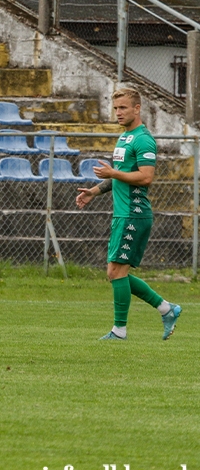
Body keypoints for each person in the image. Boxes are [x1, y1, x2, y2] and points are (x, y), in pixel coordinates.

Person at [76, 88, 181, 340]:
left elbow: (145, 177)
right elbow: (121, 176)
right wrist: (94, 190)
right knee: (115, 272)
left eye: (123, 107)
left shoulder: (143, 139)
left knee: (116, 272)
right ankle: (167, 309)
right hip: (122, 214)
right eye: (115, 108)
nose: (118, 113)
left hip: (134, 214)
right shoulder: (124, 138)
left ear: (137, 108)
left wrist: (113, 173)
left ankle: (119, 331)